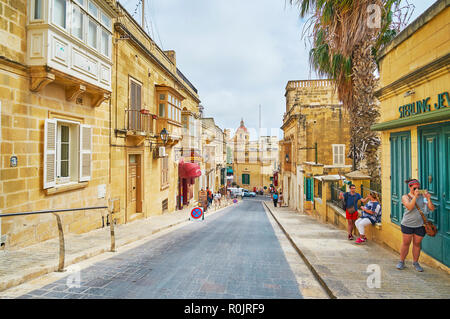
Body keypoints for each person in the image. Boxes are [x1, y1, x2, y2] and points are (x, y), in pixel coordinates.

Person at [397, 179, 435, 272]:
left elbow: (431, 208)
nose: (417, 189)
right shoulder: (405, 197)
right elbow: (409, 207)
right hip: (407, 224)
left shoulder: (423, 197)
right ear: (410, 187)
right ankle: (401, 261)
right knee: (406, 243)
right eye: (414, 188)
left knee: (417, 244)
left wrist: (428, 198)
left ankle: (415, 262)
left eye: (418, 188)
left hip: (420, 225)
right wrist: (415, 196)